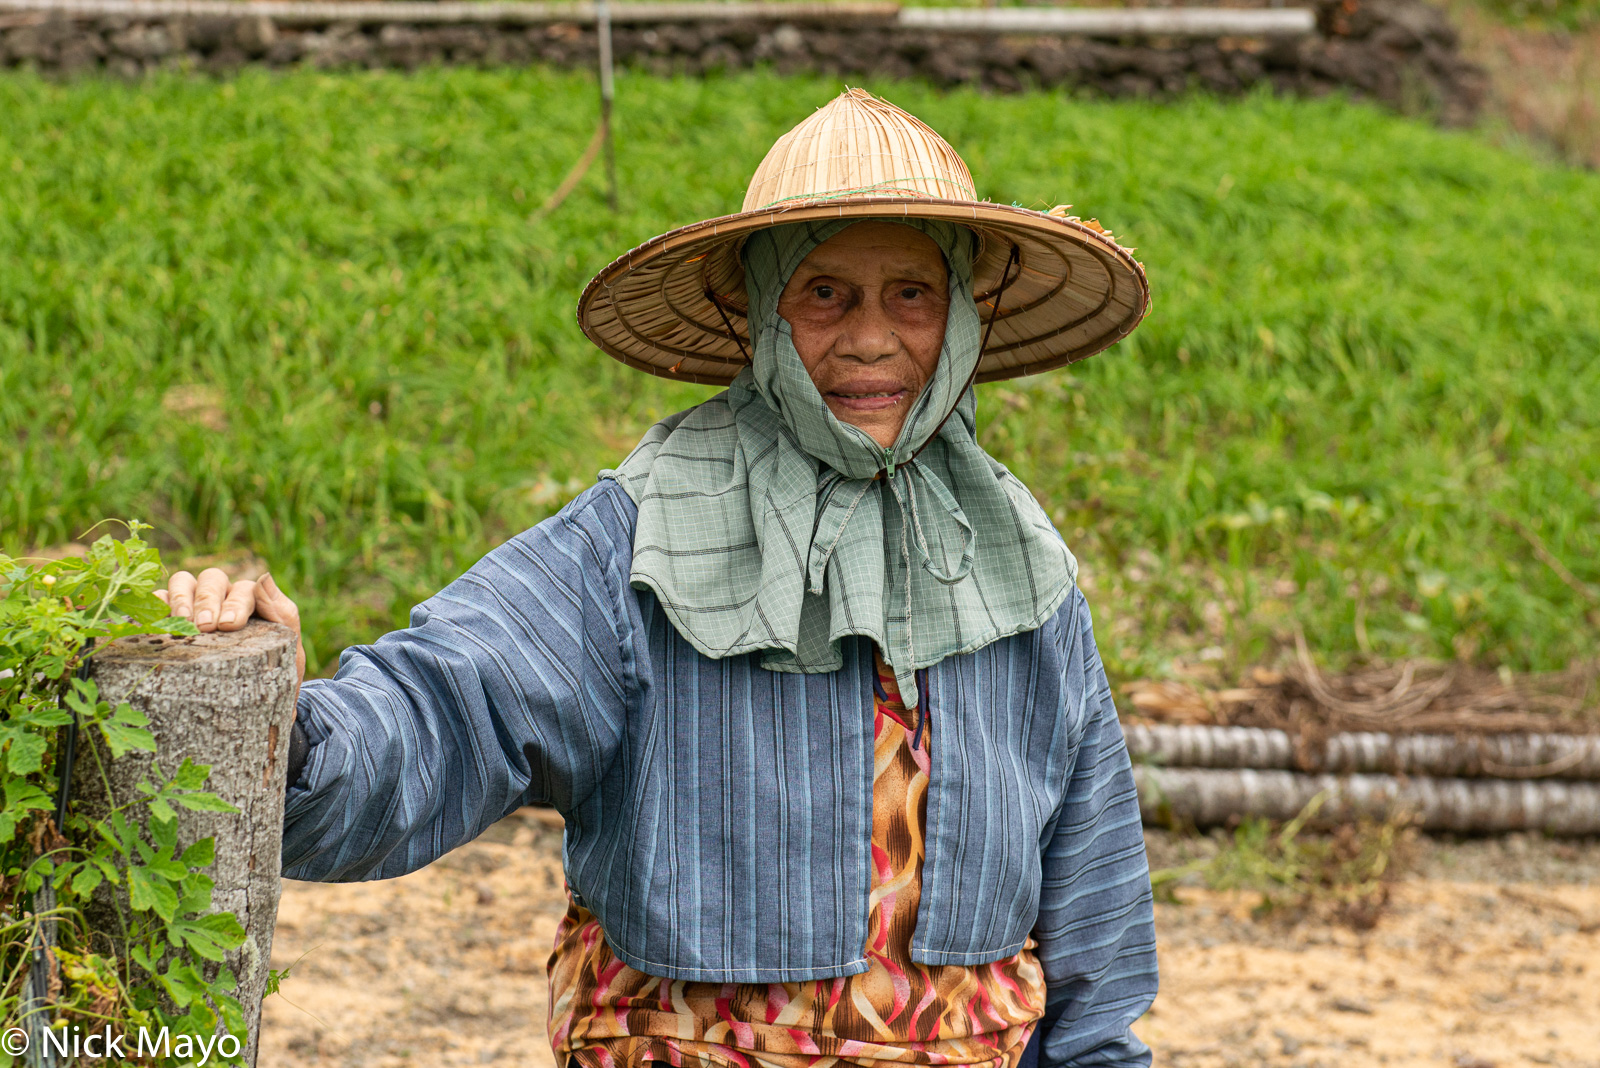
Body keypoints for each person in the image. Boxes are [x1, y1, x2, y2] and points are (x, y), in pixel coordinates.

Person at [159, 89, 1158, 1068]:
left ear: (960, 315)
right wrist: (282, 723)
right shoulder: (639, 539)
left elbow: (1094, 885)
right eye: (823, 293)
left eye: (912, 293)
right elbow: (445, 703)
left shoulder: (1012, 556)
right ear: (760, 308)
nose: (869, 337)